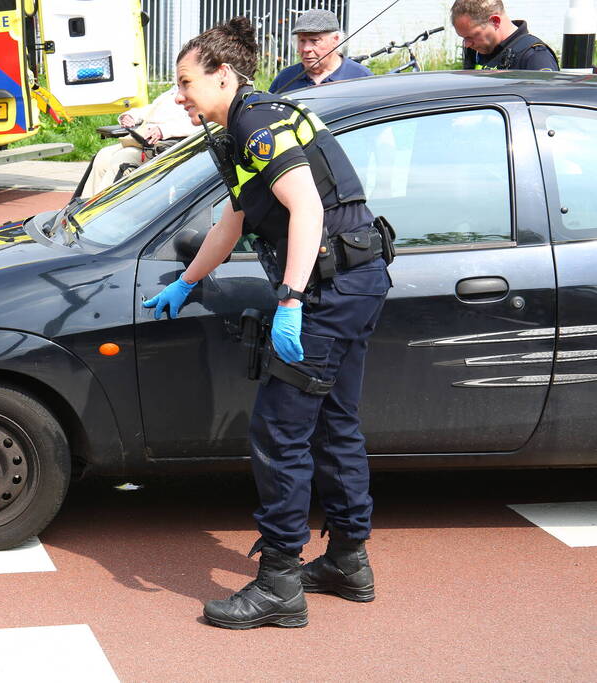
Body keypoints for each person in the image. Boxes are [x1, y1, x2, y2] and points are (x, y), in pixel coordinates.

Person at [144, 16, 391, 629]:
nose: (180, 95)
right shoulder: (243, 123)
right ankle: (347, 560)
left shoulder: (256, 123)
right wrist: (188, 279)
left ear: (222, 76)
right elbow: (237, 215)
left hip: (327, 291)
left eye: (185, 83)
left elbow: (305, 206)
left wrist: (290, 299)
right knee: (336, 424)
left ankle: (281, 581)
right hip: (354, 280)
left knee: (280, 431)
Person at [80, 85, 198, 197]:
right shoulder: (174, 91)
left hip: (164, 143)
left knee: (122, 158)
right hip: (143, 139)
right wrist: (131, 116)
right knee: (103, 155)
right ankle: (85, 204)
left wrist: (163, 130)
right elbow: (151, 109)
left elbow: (201, 123)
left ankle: (101, 210)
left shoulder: (199, 95)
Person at [269, 9, 371, 94]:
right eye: (302, 41)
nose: (306, 49)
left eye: (314, 40)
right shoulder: (286, 77)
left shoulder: (360, 77)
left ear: (335, 40)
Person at [451, 0, 559, 71]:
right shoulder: (475, 51)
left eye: (471, 36)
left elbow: (546, 103)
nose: (467, 44)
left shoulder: (535, 57)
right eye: (463, 38)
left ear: (495, 21)